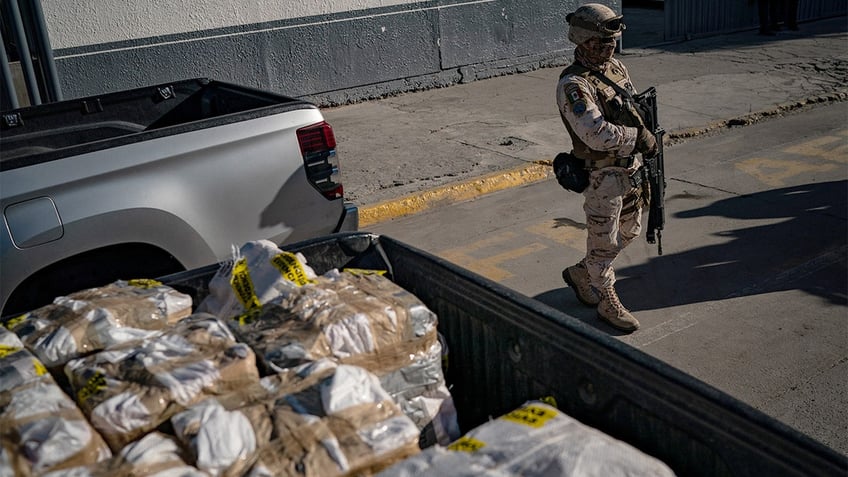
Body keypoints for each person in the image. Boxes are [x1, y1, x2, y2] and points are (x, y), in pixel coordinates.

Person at [556, 3, 658, 332]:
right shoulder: (574, 85)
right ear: (582, 41)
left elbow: (631, 108)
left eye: (612, 42)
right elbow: (596, 134)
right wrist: (638, 137)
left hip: (631, 169)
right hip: (603, 177)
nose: (608, 48)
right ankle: (606, 298)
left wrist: (644, 136)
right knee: (603, 241)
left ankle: (584, 272)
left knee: (629, 231)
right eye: (600, 43)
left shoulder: (615, 69)